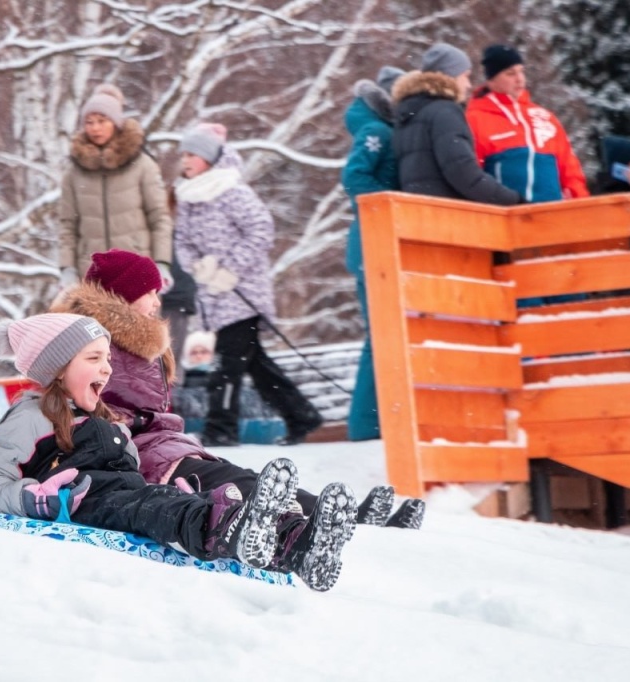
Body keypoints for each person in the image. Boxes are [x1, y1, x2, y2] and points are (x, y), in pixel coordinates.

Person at [0, 312, 358, 591]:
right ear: (55, 369)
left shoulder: (107, 420)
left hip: (128, 495)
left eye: (106, 358)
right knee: (155, 507)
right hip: (82, 501)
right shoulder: (30, 416)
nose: (106, 369)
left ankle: (297, 544)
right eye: (93, 358)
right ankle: (231, 530)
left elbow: (133, 477)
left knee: (175, 500)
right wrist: (38, 499)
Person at [52, 248, 423, 534]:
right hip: (140, 458)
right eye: (149, 292)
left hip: (162, 448)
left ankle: (341, 515)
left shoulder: (133, 341)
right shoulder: (100, 343)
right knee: (238, 486)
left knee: (241, 477)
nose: (157, 301)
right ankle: (327, 521)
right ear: (123, 295)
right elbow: (92, 407)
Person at [172, 123, 325, 447]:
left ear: (210, 158)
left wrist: (230, 269)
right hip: (213, 292)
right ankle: (301, 415)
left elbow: (261, 231)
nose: (184, 160)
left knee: (228, 364)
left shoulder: (233, 191)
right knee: (255, 364)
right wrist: (199, 267)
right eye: (183, 154)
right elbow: (182, 241)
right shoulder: (187, 197)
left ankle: (220, 428)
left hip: (243, 292)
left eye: (192, 154)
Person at [56, 83, 173, 292]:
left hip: (137, 269)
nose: (95, 128)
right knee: (95, 326)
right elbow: (67, 225)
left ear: (116, 123)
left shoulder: (142, 165)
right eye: (89, 122)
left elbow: (159, 217)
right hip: (92, 274)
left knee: (138, 325)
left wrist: (162, 263)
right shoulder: (74, 173)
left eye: (102, 121)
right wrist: (67, 268)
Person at [342, 66, 402, 442]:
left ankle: (372, 422)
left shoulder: (386, 130)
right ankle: (366, 426)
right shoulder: (378, 131)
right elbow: (354, 178)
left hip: (375, 242)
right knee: (379, 335)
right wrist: (392, 202)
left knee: (382, 335)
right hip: (373, 243)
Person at [391, 44, 522, 205]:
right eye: (465, 76)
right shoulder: (444, 112)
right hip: (449, 217)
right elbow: (463, 172)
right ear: (450, 76)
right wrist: (512, 200)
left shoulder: (410, 114)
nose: (468, 85)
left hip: (418, 216)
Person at [465, 44, 589, 202]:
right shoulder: (475, 119)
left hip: (553, 216)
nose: (519, 79)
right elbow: (472, 176)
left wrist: (580, 205)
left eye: (521, 71)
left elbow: (571, 170)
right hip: (506, 218)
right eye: (510, 74)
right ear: (491, 81)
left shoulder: (544, 117)